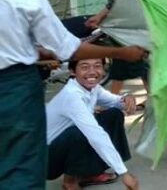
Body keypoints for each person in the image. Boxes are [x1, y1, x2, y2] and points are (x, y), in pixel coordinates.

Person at [0, 0, 145, 189]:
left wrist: (126, 99)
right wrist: (123, 53)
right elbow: (69, 48)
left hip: (20, 81)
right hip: (15, 90)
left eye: (97, 66)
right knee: (21, 168)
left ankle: (86, 171)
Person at [47, 58, 139, 189]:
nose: (92, 72)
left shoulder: (93, 88)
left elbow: (115, 101)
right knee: (83, 132)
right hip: (47, 160)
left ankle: (89, 172)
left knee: (113, 115)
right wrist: (124, 173)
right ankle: (70, 182)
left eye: (97, 66)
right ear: (73, 71)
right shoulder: (72, 95)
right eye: (84, 67)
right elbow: (96, 135)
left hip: (61, 146)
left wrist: (127, 98)